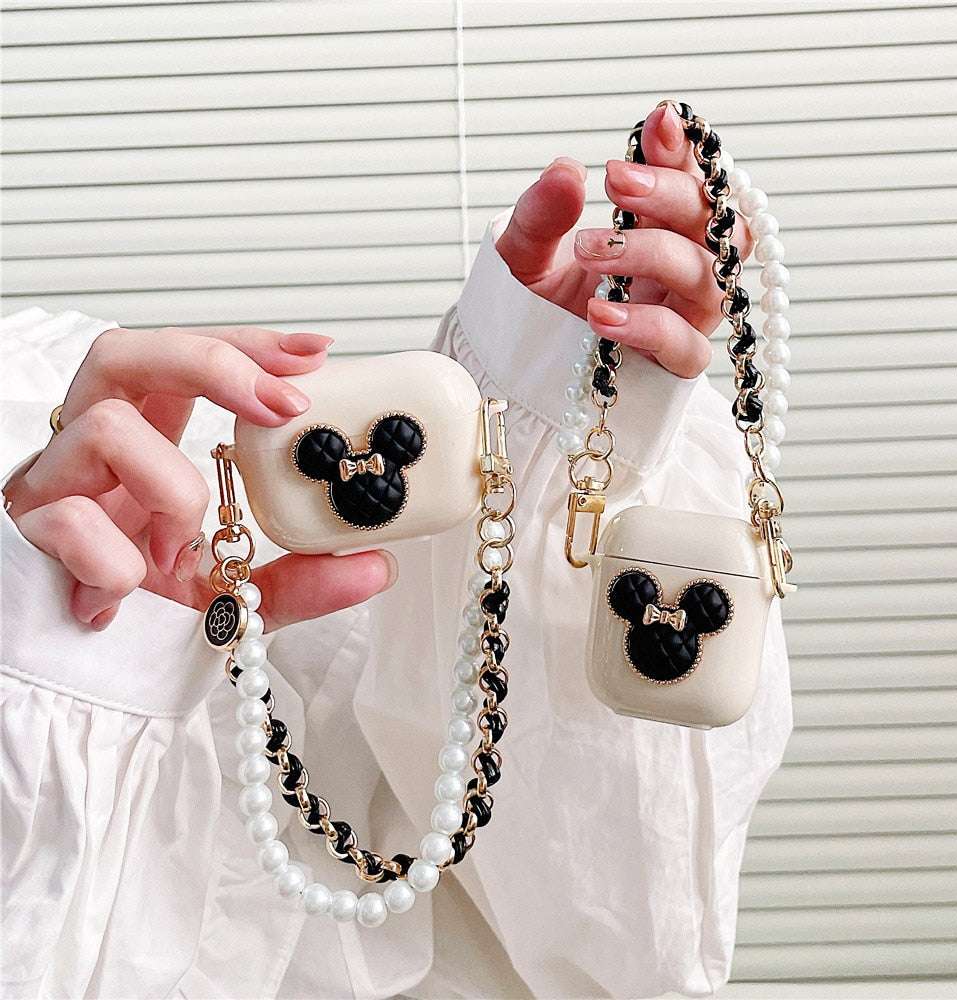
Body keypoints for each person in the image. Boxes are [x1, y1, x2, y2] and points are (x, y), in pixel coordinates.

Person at [1, 104, 791, 998]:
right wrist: (56, 686)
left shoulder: (80, 402)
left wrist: (541, 440)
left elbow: (600, 943)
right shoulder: (91, 422)